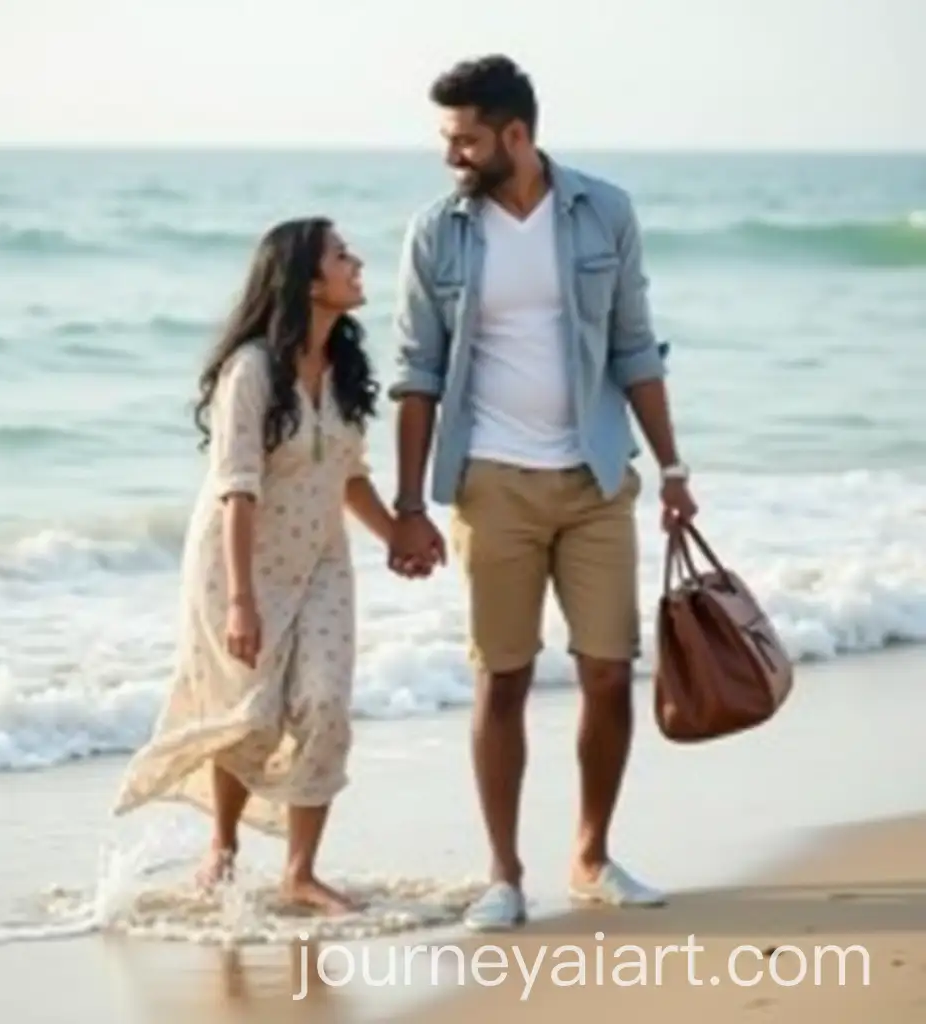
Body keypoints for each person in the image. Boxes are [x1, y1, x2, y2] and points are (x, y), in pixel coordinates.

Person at [386, 55, 699, 931]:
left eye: (464, 139)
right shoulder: (436, 233)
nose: (451, 155)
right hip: (491, 482)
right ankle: (504, 875)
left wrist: (673, 469)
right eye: (447, 139)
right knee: (504, 678)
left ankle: (592, 855)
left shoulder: (604, 210)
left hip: (597, 476)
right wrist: (411, 504)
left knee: (607, 671)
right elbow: (417, 374)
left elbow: (636, 346)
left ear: (514, 135)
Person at [112, 217, 398, 916]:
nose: (356, 263)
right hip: (237, 563)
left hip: (323, 560)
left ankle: (301, 872)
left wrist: (397, 535)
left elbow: (347, 475)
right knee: (250, 715)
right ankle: (225, 847)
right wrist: (242, 600)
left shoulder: (345, 369)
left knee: (325, 704)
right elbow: (237, 487)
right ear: (305, 278)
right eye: (341, 255)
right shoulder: (251, 370)